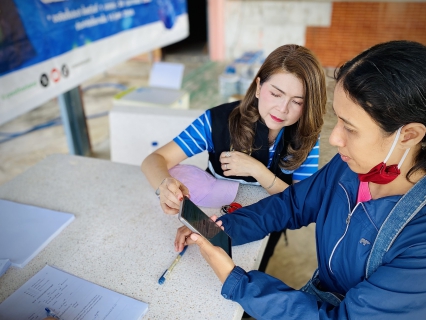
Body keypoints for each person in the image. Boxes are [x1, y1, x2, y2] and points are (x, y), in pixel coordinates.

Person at [175, 40, 426, 319]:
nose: (334, 138)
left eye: (350, 129)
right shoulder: (351, 167)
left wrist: (234, 279)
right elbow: (292, 204)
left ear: (409, 135)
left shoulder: (420, 243)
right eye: (338, 120)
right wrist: (221, 230)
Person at [142, 44, 327, 272]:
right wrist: (164, 184)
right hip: (212, 214)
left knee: (258, 266)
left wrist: (257, 169)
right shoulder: (216, 121)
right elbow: (154, 159)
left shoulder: (307, 135)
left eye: (297, 101)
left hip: (265, 223)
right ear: (258, 87)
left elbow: (305, 204)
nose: (282, 109)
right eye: (276, 94)